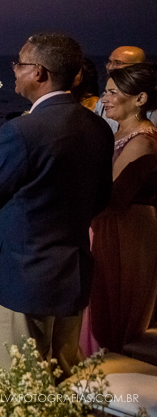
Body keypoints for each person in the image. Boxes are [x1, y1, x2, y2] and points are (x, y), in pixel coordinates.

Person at [0, 32, 113, 379]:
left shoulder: (24, 130)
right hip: (72, 268)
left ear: (39, 73)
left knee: (24, 379)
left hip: (25, 273)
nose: (14, 70)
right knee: (67, 370)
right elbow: (99, 198)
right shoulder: (97, 126)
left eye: (19, 63)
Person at [87, 63, 157, 354]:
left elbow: (113, 196)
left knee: (115, 302)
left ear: (139, 99)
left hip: (125, 229)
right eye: (105, 91)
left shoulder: (142, 141)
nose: (104, 99)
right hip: (108, 224)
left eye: (113, 93)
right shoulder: (117, 135)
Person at [93, 46, 155, 130]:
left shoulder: (151, 109)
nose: (110, 67)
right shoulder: (103, 100)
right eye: (109, 62)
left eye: (118, 63)